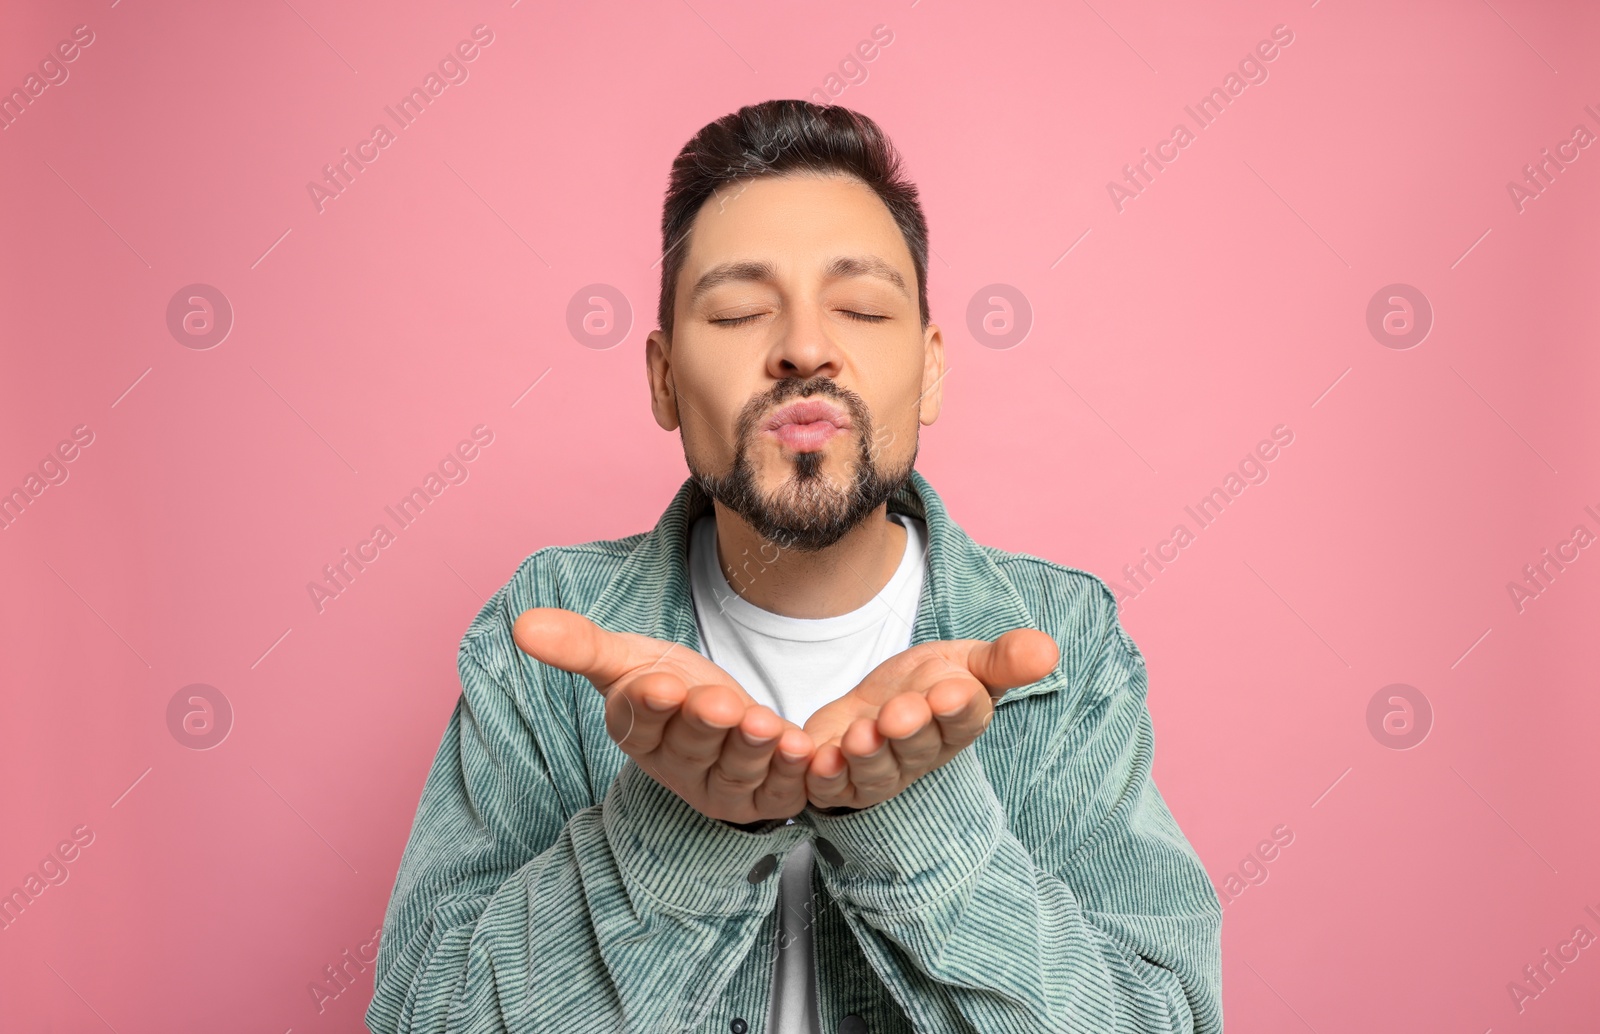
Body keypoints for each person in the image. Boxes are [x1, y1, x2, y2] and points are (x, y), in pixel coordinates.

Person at [366, 99, 1222, 1034]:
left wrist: (917, 820)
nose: (805, 349)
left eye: (859, 307)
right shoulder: (548, 631)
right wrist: (684, 823)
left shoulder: (1063, 641)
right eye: (737, 311)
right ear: (662, 378)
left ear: (930, 369)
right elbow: (424, 1017)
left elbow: (1161, 1017)